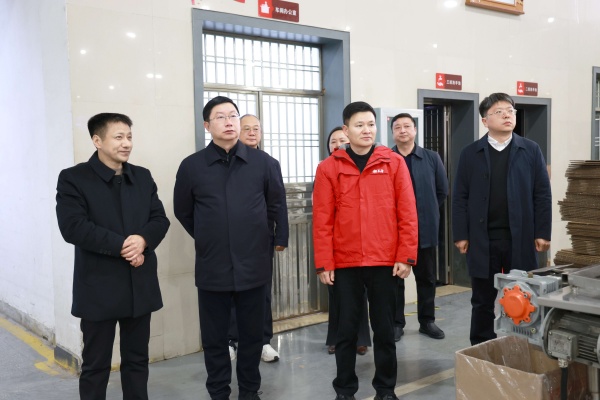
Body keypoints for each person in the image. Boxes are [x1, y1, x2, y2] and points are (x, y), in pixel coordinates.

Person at [173, 96, 285, 400]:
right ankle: (218, 392)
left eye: (233, 115)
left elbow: (275, 206)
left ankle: (249, 391)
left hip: (254, 264)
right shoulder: (192, 166)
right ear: (207, 125)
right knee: (214, 338)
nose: (229, 122)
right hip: (213, 265)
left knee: (252, 336)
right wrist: (210, 236)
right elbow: (183, 211)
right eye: (220, 117)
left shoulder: (264, 163)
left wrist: (263, 237)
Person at [56, 113, 170, 400]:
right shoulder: (74, 178)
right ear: (97, 140)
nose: (126, 143)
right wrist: (125, 246)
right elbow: (73, 227)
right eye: (118, 137)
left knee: (137, 361)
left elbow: (159, 219)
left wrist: (143, 240)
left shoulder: (142, 176)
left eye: (129, 137)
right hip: (99, 286)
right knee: (96, 365)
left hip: (138, 284)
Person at [313, 101, 418, 400]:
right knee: (346, 331)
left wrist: (405, 256)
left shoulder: (393, 163)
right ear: (346, 130)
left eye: (371, 124)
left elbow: (407, 212)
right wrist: (324, 262)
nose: (367, 130)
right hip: (344, 263)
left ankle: (386, 390)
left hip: (384, 261)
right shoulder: (329, 167)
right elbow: (322, 220)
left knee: (384, 331)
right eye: (359, 125)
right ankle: (345, 391)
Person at [452, 92, 552, 346]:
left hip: (520, 237)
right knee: (482, 300)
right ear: (485, 121)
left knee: (524, 297)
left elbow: (542, 194)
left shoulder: (530, 150)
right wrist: (461, 234)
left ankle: (523, 346)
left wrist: (543, 232)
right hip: (482, 239)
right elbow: (460, 196)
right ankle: (482, 348)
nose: (507, 115)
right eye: (499, 112)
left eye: (510, 111)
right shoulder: (470, 153)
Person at [228, 114, 289, 363]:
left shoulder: (268, 163)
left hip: (261, 240)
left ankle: (263, 341)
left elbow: (278, 202)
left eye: (256, 128)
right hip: (229, 240)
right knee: (231, 290)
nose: (252, 132)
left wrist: (281, 235)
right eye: (247, 128)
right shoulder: (227, 162)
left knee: (262, 292)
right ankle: (231, 341)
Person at [390, 113, 448, 341]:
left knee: (427, 278)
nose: (403, 130)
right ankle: (397, 323)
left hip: (425, 229)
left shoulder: (431, 158)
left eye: (407, 126)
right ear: (392, 133)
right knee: (395, 281)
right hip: (394, 232)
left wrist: (426, 211)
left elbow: (442, 191)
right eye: (397, 127)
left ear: (415, 130)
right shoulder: (386, 158)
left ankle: (427, 321)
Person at [323, 127, 371, 356]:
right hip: (332, 244)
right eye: (333, 141)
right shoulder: (325, 169)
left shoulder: (361, 168)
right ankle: (335, 338)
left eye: (341, 140)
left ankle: (361, 338)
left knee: (359, 295)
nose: (337, 144)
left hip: (357, 244)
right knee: (335, 296)